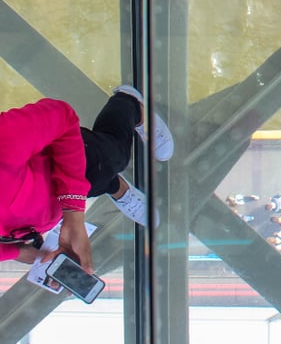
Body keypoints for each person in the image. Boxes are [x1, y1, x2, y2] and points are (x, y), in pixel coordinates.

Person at [0, 87, 174, 272]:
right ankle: (114, 186)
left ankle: (129, 104)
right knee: (95, 183)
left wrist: (73, 215)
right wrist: (19, 253)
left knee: (116, 156)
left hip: (68, 161)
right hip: (47, 205)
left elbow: (61, 117)